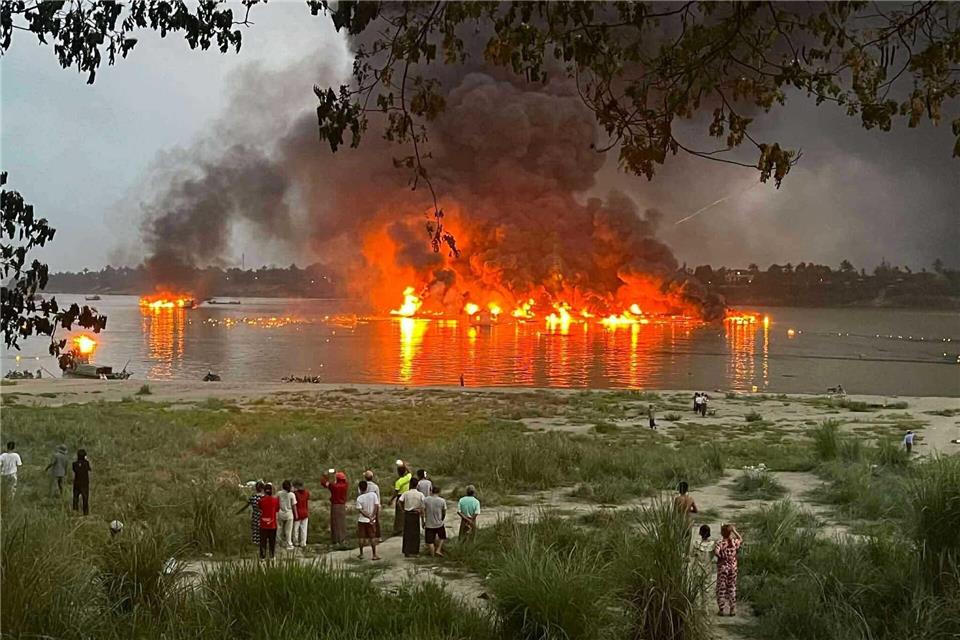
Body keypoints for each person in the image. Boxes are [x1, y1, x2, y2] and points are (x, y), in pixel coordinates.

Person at [714, 523, 743, 616]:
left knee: (721, 588)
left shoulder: (720, 543)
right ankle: (732, 609)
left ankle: (721, 609)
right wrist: (734, 530)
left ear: (722, 533)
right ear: (730, 533)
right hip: (733, 568)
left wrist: (722, 558)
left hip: (723, 568)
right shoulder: (734, 542)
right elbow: (741, 539)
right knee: (732, 588)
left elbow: (716, 553)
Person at [320, 470, 349, 545]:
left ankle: (336, 539)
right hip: (342, 505)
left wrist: (325, 476)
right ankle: (343, 538)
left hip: (335, 505)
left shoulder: (334, 486)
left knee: (335, 523)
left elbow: (324, 483)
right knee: (342, 523)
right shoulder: (346, 485)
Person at [399, 478, 425, 557]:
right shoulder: (420, 494)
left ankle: (407, 551)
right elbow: (423, 507)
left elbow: (399, 501)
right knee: (415, 534)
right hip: (416, 514)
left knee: (407, 533)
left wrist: (402, 510)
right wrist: (422, 519)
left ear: (410, 484)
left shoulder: (406, 493)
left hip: (408, 514)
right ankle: (415, 552)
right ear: (417, 485)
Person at [356, 479, 381, 560]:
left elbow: (360, 510)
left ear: (360, 488)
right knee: (372, 537)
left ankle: (361, 554)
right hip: (371, 520)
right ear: (367, 487)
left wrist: (367, 516)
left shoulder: (359, 498)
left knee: (361, 537)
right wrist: (372, 516)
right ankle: (374, 555)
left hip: (362, 520)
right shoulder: (373, 495)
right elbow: (376, 506)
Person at [236, 481, 265, 548]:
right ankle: (262, 545)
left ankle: (256, 545)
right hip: (263, 516)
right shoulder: (264, 498)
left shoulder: (253, 497)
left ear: (256, 488)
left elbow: (246, 506)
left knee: (255, 531)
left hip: (255, 516)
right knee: (262, 531)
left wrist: (238, 512)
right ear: (263, 488)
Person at [390, 461, 412, 536]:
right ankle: (406, 528)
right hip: (407, 496)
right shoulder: (408, 478)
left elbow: (396, 492)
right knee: (407, 512)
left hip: (400, 497)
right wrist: (405, 466)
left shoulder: (398, 482)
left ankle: (398, 530)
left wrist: (391, 499)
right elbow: (410, 472)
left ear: (398, 472)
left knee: (399, 514)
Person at [423, 485, 447, 557]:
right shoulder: (442, 500)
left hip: (429, 523)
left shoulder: (426, 500)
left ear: (431, 491)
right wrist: (442, 518)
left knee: (429, 541)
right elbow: (444, 511)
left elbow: (422, 510)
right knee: (442, 537)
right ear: (439, 492)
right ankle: (438, 550)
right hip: (439, 523)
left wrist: (423, 520)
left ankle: (432, 555)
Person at [258, 483, 280, 560]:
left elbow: (260, 508)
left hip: (263, 524)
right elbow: (277, 509)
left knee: (263, 542)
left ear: (264, 491)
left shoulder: (261, 500)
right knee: (272, 542)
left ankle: (262, 557)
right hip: (272, 524)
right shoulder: (276, 500)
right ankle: (272, 556)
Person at [277, 480, 297, 550]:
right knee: (288, 530)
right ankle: (289, 544)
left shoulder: (279, 493)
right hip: (289, 514)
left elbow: (276, 502)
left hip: (280, 512)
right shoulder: (292, 495)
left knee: (279, 529)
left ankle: (278, 543)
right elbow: (294, 505)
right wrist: (296, 514)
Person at [71, 449, 91, 515]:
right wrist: (86, 460)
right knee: (85, 498)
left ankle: (75, 511)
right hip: (85, 483)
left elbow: (74, 470)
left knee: (75, 497)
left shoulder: (74, 464)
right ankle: (85, 512)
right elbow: (89, 469)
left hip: (77, 483)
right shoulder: (86, 463)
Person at [363, 470, 382, 540]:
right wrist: (378, 506)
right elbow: (378, 497)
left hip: (366, 505)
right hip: (374, 505)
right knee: (376, 521)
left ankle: (367, 536)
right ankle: (378, 536)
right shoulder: (375, 486)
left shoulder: (363, 485)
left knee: (366, 520)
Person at [293, 480, 310, 547]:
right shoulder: (307, 493)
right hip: (305, 512)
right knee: (304, 529)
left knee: (295, 529)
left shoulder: (295, 493)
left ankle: (296, 542)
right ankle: (303, 542)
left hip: (297, 513)